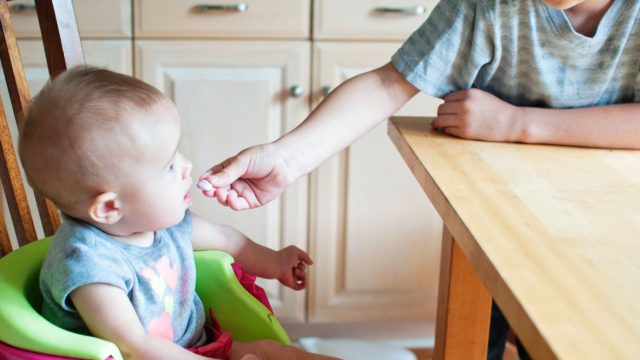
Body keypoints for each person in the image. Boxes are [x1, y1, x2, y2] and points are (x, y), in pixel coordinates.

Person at [197, 0, 640, 358]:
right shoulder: (485, 6)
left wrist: (516, 123)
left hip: (608, 226)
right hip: (496, 217)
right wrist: (287, 158)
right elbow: (390, 84)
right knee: (480, 335)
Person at [19, 66, 336, 360]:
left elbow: (228, 239)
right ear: (110, 207)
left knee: (277, 352)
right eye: (168, 166)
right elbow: (134, 346)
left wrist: (276, 262)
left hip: (196, 348)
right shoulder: (90, 266)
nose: (187, 166)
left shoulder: (163, 223)